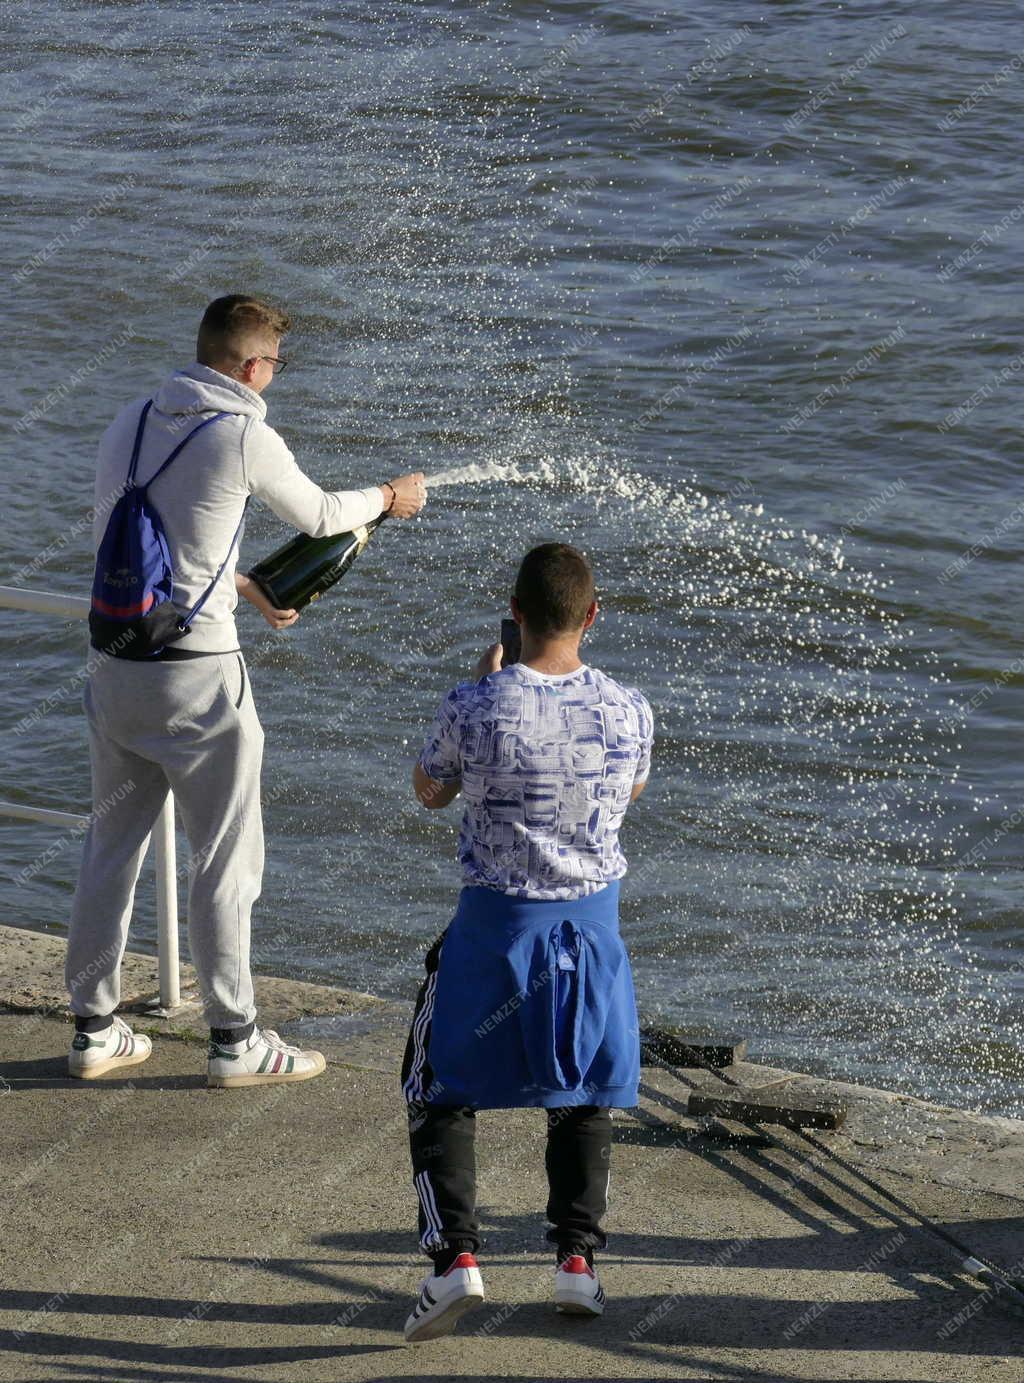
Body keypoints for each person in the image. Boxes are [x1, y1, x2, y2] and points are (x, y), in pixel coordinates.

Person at [65, 294, 426, 1086]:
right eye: (274, 367)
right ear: (251, 366)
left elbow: (148, 543)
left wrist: (244, 587)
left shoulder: (128, 420)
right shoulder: (241, 431)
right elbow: (325, 513)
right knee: (226, 859)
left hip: (116, 664)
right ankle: (236, 1039)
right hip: (199, 679)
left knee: (110, 845)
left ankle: (94, 1027)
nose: (273, 381)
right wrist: (389, 497)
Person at [401, 542, 653, 1341]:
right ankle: (576, 1263)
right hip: (589, 938)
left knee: (432, 1082)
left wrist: (485, 684)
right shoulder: (628, 709)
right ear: (592, 614)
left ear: (514, 612)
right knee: (582, 1089)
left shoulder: (475, 704)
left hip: (495, 935)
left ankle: (454, 1262)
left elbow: (431, 790)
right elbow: (631, 787)